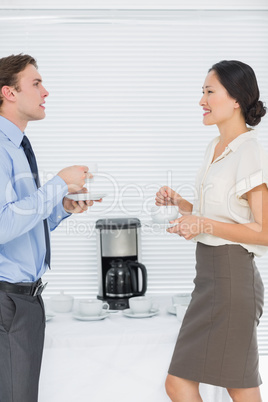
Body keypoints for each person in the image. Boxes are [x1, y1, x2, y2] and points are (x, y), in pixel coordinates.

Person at [155, 60, 268, 402]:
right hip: (209, 279)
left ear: (235, 99)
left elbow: (264, 232)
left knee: (231, 386)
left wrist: (202, 223)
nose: (201, 100)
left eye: (209, 91)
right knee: (191, 383)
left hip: (232, 280)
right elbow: (227, 214)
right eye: (201, 92)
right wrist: (184, 206)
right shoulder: (216, 148)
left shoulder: (250, 151)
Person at [0, 54, 100, 402]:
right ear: (8, 93)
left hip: (24, 301)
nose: (46, 91)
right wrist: (58, 183)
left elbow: (20, 219)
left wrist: (60, 209)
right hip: (7, 300)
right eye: (36, 83)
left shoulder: (17, 146)